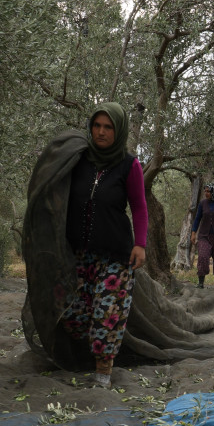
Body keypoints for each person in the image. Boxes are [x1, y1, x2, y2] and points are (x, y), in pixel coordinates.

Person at [61, 103, 148, 387]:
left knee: (107, 315)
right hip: (79, 254)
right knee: (75, 315)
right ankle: (79, 360)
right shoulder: (78, 159)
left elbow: (139, 206)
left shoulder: (129, 164)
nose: (101, 132)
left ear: (118, 130)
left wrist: (141, 244)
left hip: (116, 256)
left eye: (108, 127)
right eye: (97, 125)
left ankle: (102, 377)